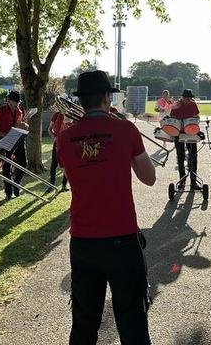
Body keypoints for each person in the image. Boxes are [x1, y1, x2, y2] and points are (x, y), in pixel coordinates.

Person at [57, 70, 156, 344]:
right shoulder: (125, 129)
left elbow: (75, 173)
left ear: (81, 101)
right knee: (132, 320)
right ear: (106, 97)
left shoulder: (64, 139)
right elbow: (149, 178)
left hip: (83, 241)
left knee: (84, 323)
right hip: (122, 239)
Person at [0, 91, 29, 200]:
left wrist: (24, 125)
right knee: (6, 167)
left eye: (18, 102)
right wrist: (5, 135)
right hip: (4, 139)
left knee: (23, 164)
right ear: (9, 101)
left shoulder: (20, 111)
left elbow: (19, 125)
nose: (17, 104)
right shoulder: (0, 111)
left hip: (18, 139)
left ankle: (16, 184)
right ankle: (8, 192)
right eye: (15, 102)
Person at [170, 88, 201, 189]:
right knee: (180, 157)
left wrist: (195, 121)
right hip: (179, 133)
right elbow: (173, 119)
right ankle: (182, 181)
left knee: (193, 157)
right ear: (182, 97)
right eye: (186, 99)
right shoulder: (176, 105)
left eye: (190, 99)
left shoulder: (193, 104)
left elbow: (197, 117)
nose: (188, 101)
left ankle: (193, 182)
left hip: (191, 132)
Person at [48, 108, 67, 191]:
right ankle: (51, 185)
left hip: (67, 143)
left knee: (67, 165)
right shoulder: (56, 115)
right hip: (58, 142)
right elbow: (49, 129)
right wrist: (54, 137)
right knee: (54, 165)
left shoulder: (70, 115)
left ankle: (64, 185)